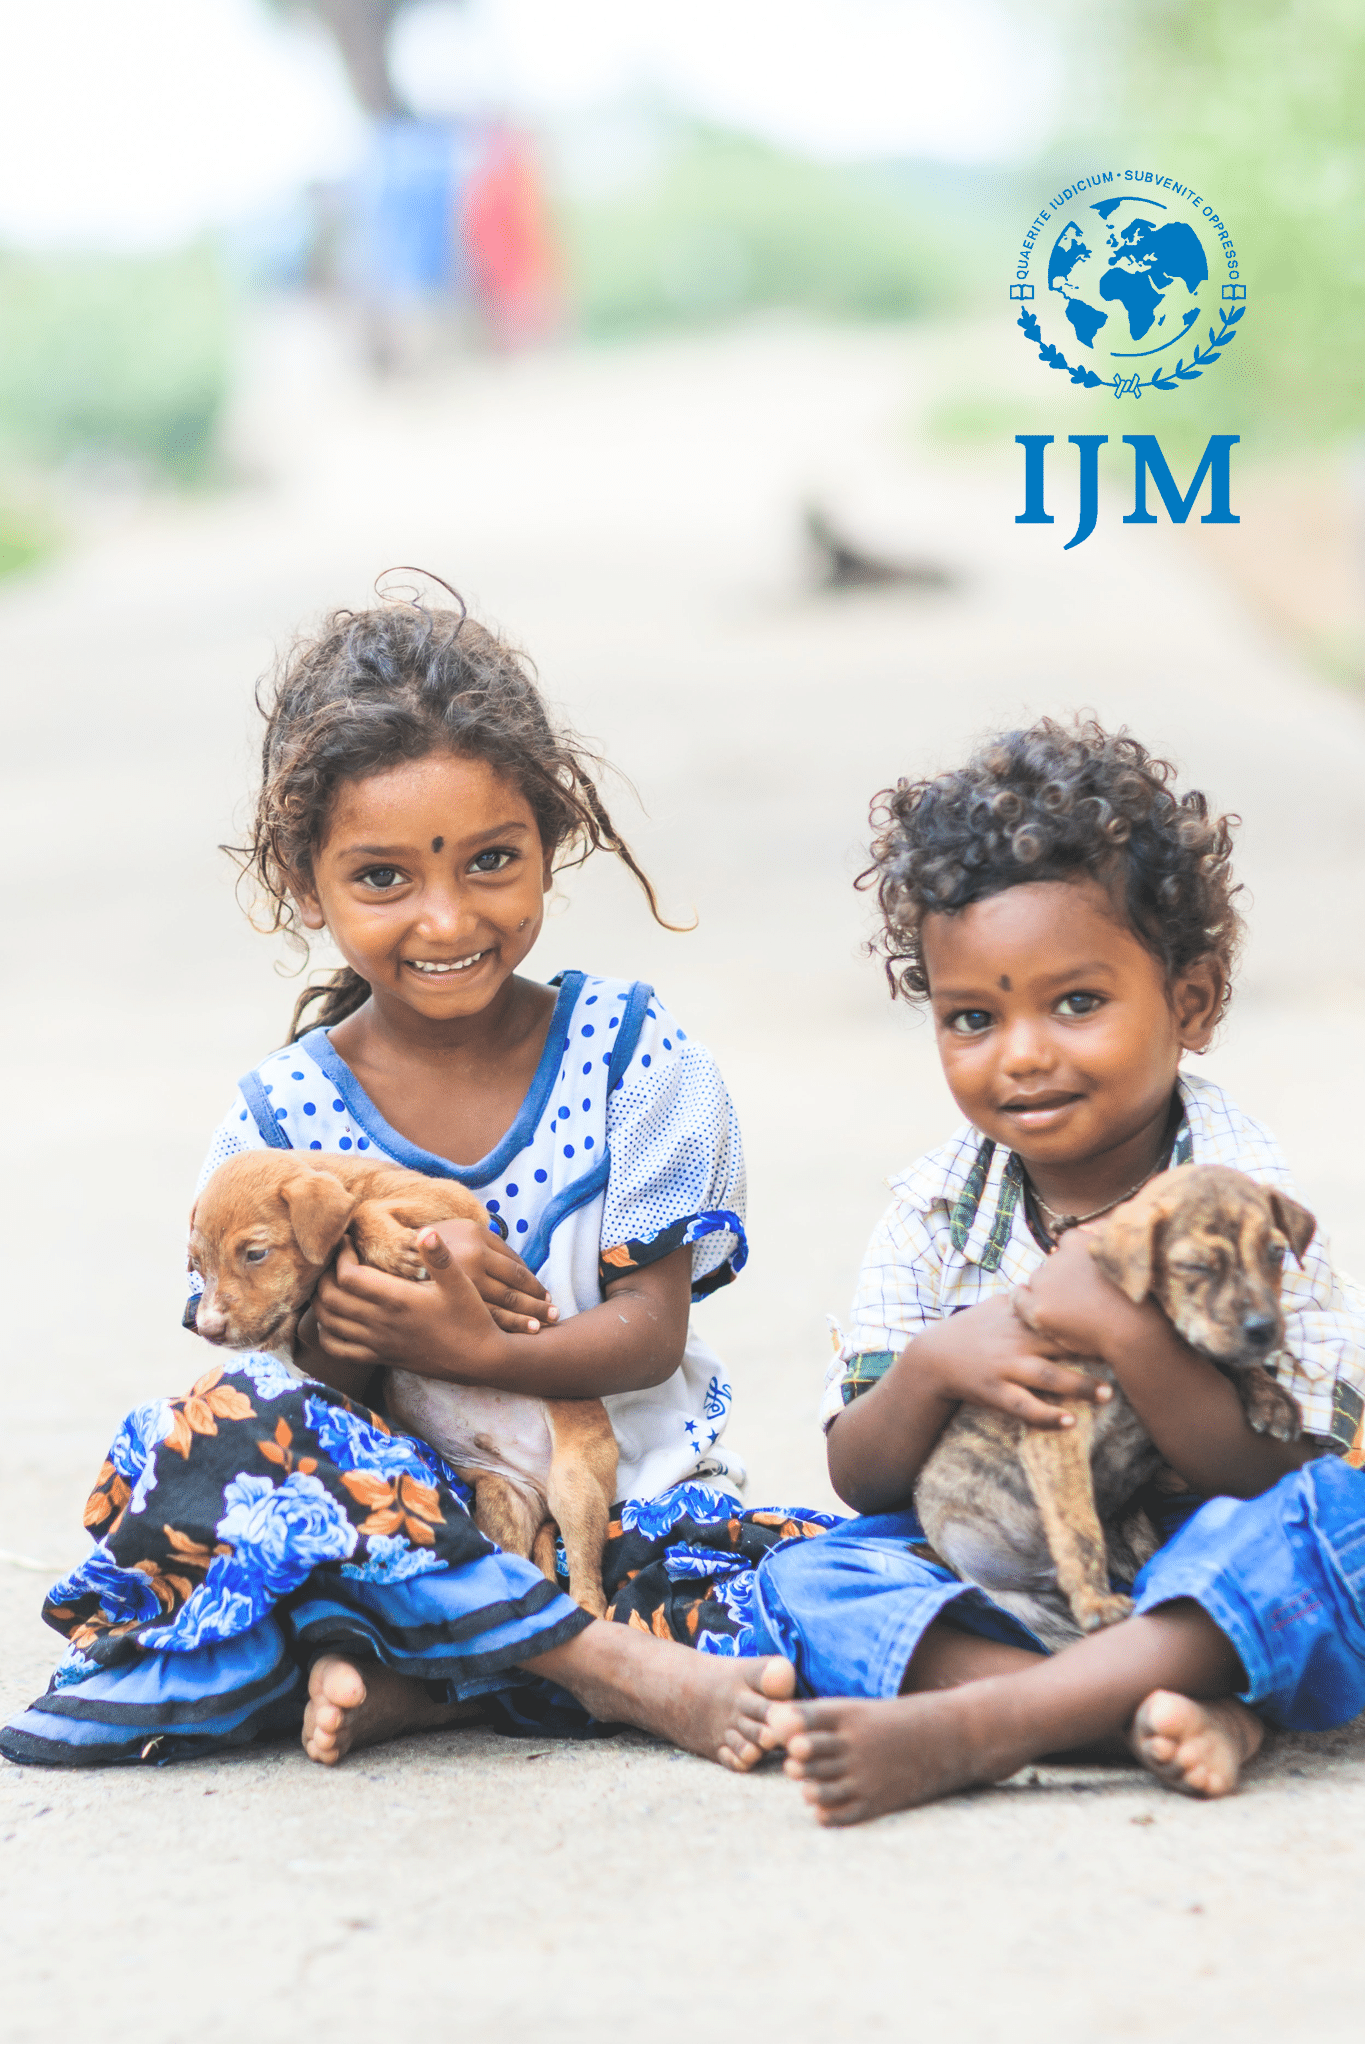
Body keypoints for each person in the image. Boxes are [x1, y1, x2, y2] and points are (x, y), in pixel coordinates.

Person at [0, 589, 802, 1772]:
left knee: (818, 1594)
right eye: (383, 878)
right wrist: (372, 1313)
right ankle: (591, 1666)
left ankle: (444, 1670)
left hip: (625, 1512)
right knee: (200, 1442)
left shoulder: (636, 1056)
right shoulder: (276, 1125)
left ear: (550, 836)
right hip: (403, 1530)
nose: (446, 915)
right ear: (303, 876)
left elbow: (647, 1333)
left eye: (491, 861)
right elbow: (317, 1384)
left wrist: (483, 1347)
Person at [755, 718, 1365, 1824]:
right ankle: (1170, 1707)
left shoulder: (1246, 1201)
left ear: (1191, 1000)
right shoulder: (934, 1207)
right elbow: (861, 1472)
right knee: (811, 1575)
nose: (1023, 1052)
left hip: (1201, 1561)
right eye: (972, 1018)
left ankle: (991, 1722)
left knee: (1341, 1521)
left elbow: (1266, 1474)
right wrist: (939, 1364)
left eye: (1075, 1001)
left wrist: (1125, 1329)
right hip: (1020, 1576)